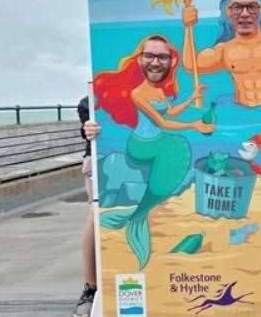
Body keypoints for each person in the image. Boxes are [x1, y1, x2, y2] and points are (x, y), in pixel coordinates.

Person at [89, 34, 214, 269]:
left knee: (176, 147)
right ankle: (139, 212)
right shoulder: (138, 93)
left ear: (171, 61)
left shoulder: (159, 90)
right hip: (141, 144)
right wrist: (195, 125)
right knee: (177, 145)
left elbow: (171, 112)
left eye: (162, 56)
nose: (155, 62)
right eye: (149, 55)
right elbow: (162, 123)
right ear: (139, 60)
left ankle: (137, 214)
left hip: (157, 139)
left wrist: (192, 98)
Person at [73, 96, 97, 317]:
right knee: (96, 214)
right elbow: (86, 125)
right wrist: (87, 127)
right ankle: (90, 287)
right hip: (99, 160)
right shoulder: (89, 101)